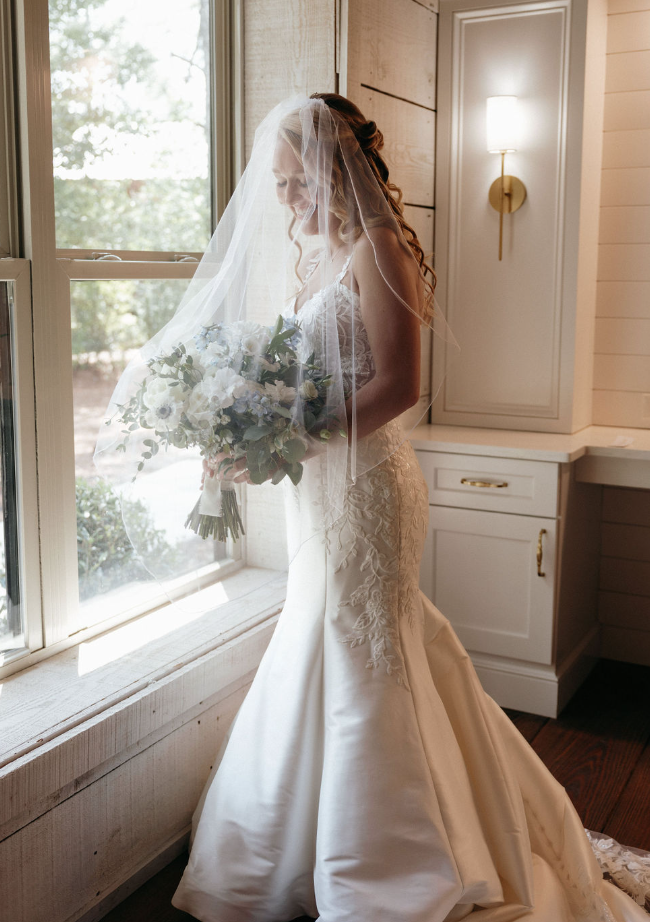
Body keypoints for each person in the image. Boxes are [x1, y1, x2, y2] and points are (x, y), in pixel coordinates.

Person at [161, 93, 650, 920]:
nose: (284, 200)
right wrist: (254, 426)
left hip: (369, 491)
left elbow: (399, 387)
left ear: (330, 169)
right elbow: (305, 378)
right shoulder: (317, 254)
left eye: (293, 181)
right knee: (323, 634)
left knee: (366, 648)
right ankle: (303, 842)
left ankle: (393, 861)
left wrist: (291, 438)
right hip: (320, 493)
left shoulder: (379, 249)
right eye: (277, 184)